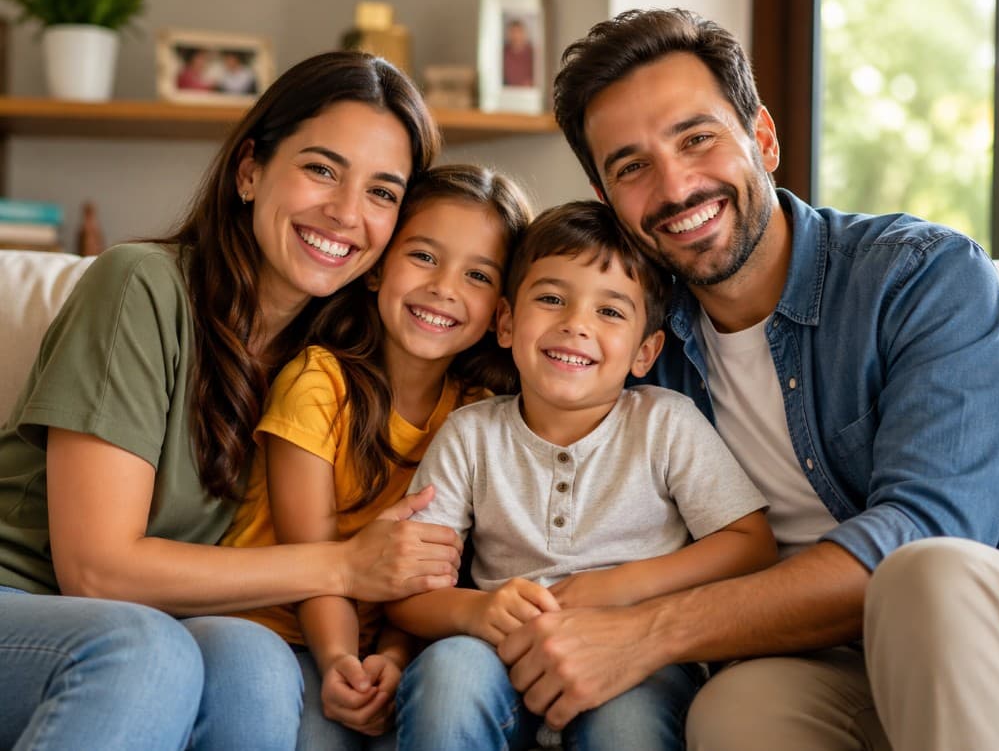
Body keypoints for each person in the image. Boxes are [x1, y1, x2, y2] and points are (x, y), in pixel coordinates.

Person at [495, 8, 999, 751]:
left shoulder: (921, 277)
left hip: (985, 633)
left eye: (697, 138)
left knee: (923, 575)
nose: (675, 185)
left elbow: (928, 532)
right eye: (632, 166)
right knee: (737, 708)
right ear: (609, 199)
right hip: (818, 653)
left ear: (764, 139)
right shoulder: (636, 342)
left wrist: (648, 632)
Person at [0, 51, 462, 750]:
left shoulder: (334, 361)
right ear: (250, 170)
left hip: (160, 619)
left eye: (382, 192)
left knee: (249, 664)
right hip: (26, 602)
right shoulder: (140, 287)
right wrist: (343, 562)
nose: (345, 212)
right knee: (144, 651)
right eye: (321, 169)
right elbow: (96, 567)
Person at [388, 200, 776, 751]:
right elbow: (407, 591)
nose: (575, 324)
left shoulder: (665, 423)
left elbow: (751, 544)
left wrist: (621, 586)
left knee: (627, 725)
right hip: (500, 656)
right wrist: (477, 609)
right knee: (449, 674)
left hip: (633, 657)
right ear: (506, 322)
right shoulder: (469, 433)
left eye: (610, 312)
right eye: (550, 299)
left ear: (645, 352)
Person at [221, 163, 532, 750]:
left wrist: (389, 656)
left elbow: (439, 576)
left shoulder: (480, 415)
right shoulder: (319, 383)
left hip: (383, 644)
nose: (444, 288)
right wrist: (341, 657)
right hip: (271, 628)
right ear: (376, 269)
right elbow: (312, 558)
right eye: (423, 257)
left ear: (502, 313)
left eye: (477, 275)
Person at [502, 18, 535, 87]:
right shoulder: (503, 54)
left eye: (519, 32)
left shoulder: (533, 53)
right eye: (513, 32)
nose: (516, 36)